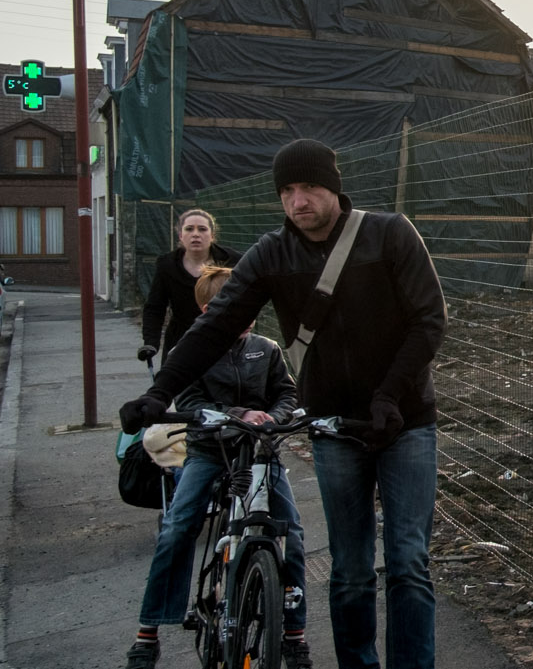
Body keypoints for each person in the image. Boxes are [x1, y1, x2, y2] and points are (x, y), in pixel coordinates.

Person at [121, 138, 447, 669]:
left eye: (310, 187)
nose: (299, 200)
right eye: (288, 191)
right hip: (332, 426)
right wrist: (160, 391)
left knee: (408, 562)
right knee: (349, 570)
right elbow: (214, 327)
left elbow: (429, 321)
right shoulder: (271, 254)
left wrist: (390, 393)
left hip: (404, 421)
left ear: (334, 188)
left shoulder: (389, 234)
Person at [122, 265, 311, 669]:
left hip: (261, 452)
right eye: (236, 309)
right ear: (210, 309)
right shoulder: (190, 351)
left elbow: (286, 392)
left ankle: (294, 633)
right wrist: (238, 412)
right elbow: (188, 402)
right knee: (177, 526)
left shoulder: (267, 348)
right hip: (210, 450)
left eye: (251, 310)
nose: (246, 319)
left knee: (292, 530)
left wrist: (272, 419)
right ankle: (148, 632)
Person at [138, 209, 239, 364]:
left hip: (222, 339)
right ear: (180, 235)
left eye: (202, 229)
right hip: (180, 340)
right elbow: (155, 307)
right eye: (189, 229)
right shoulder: (167, 265)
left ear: (212, 235)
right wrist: (151, 342)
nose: (196, 234)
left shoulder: (232, 261)